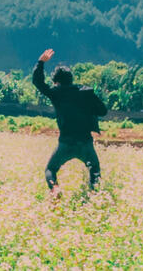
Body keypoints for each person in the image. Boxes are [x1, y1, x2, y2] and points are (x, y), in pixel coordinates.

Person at [33, 48, 108, 196]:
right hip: (85, 142)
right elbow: (103, 111)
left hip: (66, 143)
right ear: (71, 79)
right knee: (95, 170)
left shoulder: (56, 93)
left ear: (56, 82)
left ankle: (55, 190)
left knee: (51, 170)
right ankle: (94, 196)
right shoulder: (86, 92)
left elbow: (38, 82)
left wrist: (41, 62)